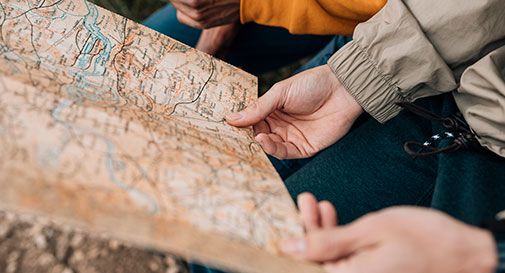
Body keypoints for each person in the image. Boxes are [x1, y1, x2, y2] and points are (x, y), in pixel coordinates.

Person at [166, 0, 505, 272]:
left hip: (483, 143)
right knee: (213, 226)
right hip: (413, 59)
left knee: (230, 255)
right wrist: (356, 78)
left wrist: (488, 252)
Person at [143, 1, 385, 74]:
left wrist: (251, 4)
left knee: (272, 152)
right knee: (143, 52)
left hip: (383, 23)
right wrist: (215, 36)